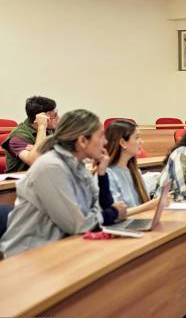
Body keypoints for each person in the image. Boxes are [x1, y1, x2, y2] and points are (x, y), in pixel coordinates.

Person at [0, 109, 127, 258]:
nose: (105, 142)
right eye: (100, 136)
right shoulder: (51, 167)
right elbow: (78, 225)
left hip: (63, 247)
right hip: (30, 255)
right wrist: (113, 213)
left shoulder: (79, 166)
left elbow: (103, 207)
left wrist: (102, 173)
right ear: (82, 141)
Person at [105, 120, 163, 215]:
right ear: (123, 143)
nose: (141, 142)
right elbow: (115, 214)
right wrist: (151, 204)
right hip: (121, 228)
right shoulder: (108, 174)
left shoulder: (135, 171)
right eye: (136, 138)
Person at [1, 96, 59, 172]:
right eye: (54, 115)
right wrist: (41, 126)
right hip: (19, 181)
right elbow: (36, 160)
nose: (58, 117)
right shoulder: (17, 137)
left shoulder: (52, 129)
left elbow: (71, 151)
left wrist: (43, 149)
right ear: (42, 117)